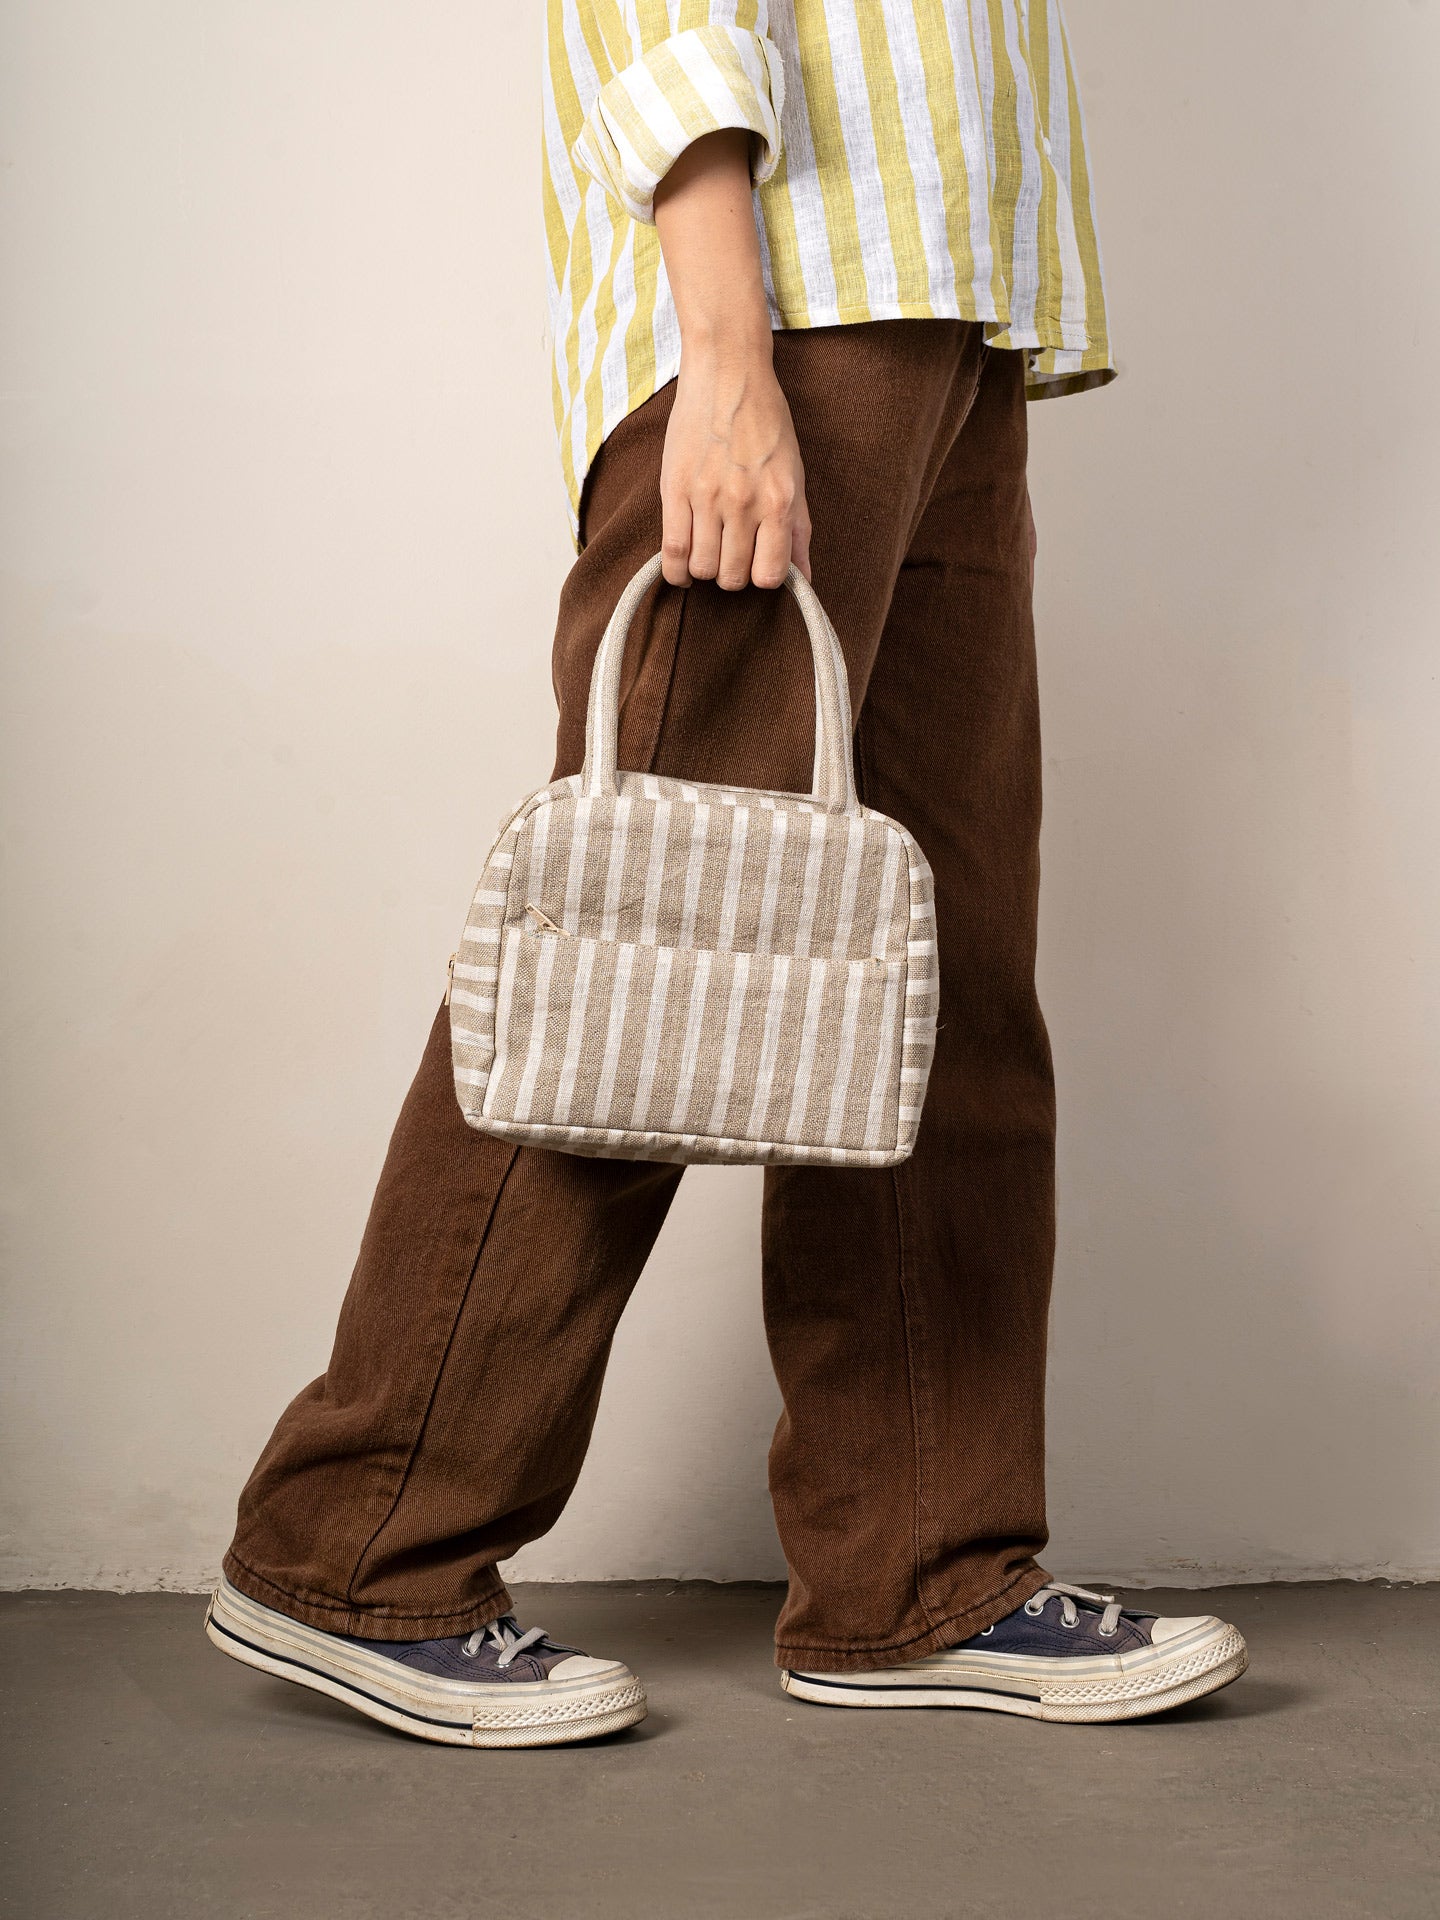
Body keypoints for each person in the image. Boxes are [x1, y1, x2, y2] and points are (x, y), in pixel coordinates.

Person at [207, 1, 1248, 1746]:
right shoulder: (758, 331)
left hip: (945, 306)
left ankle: (921, 1570)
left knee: (935, 977)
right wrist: (726, 348)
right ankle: (356, 1543)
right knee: (630, 955)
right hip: (794, 301)